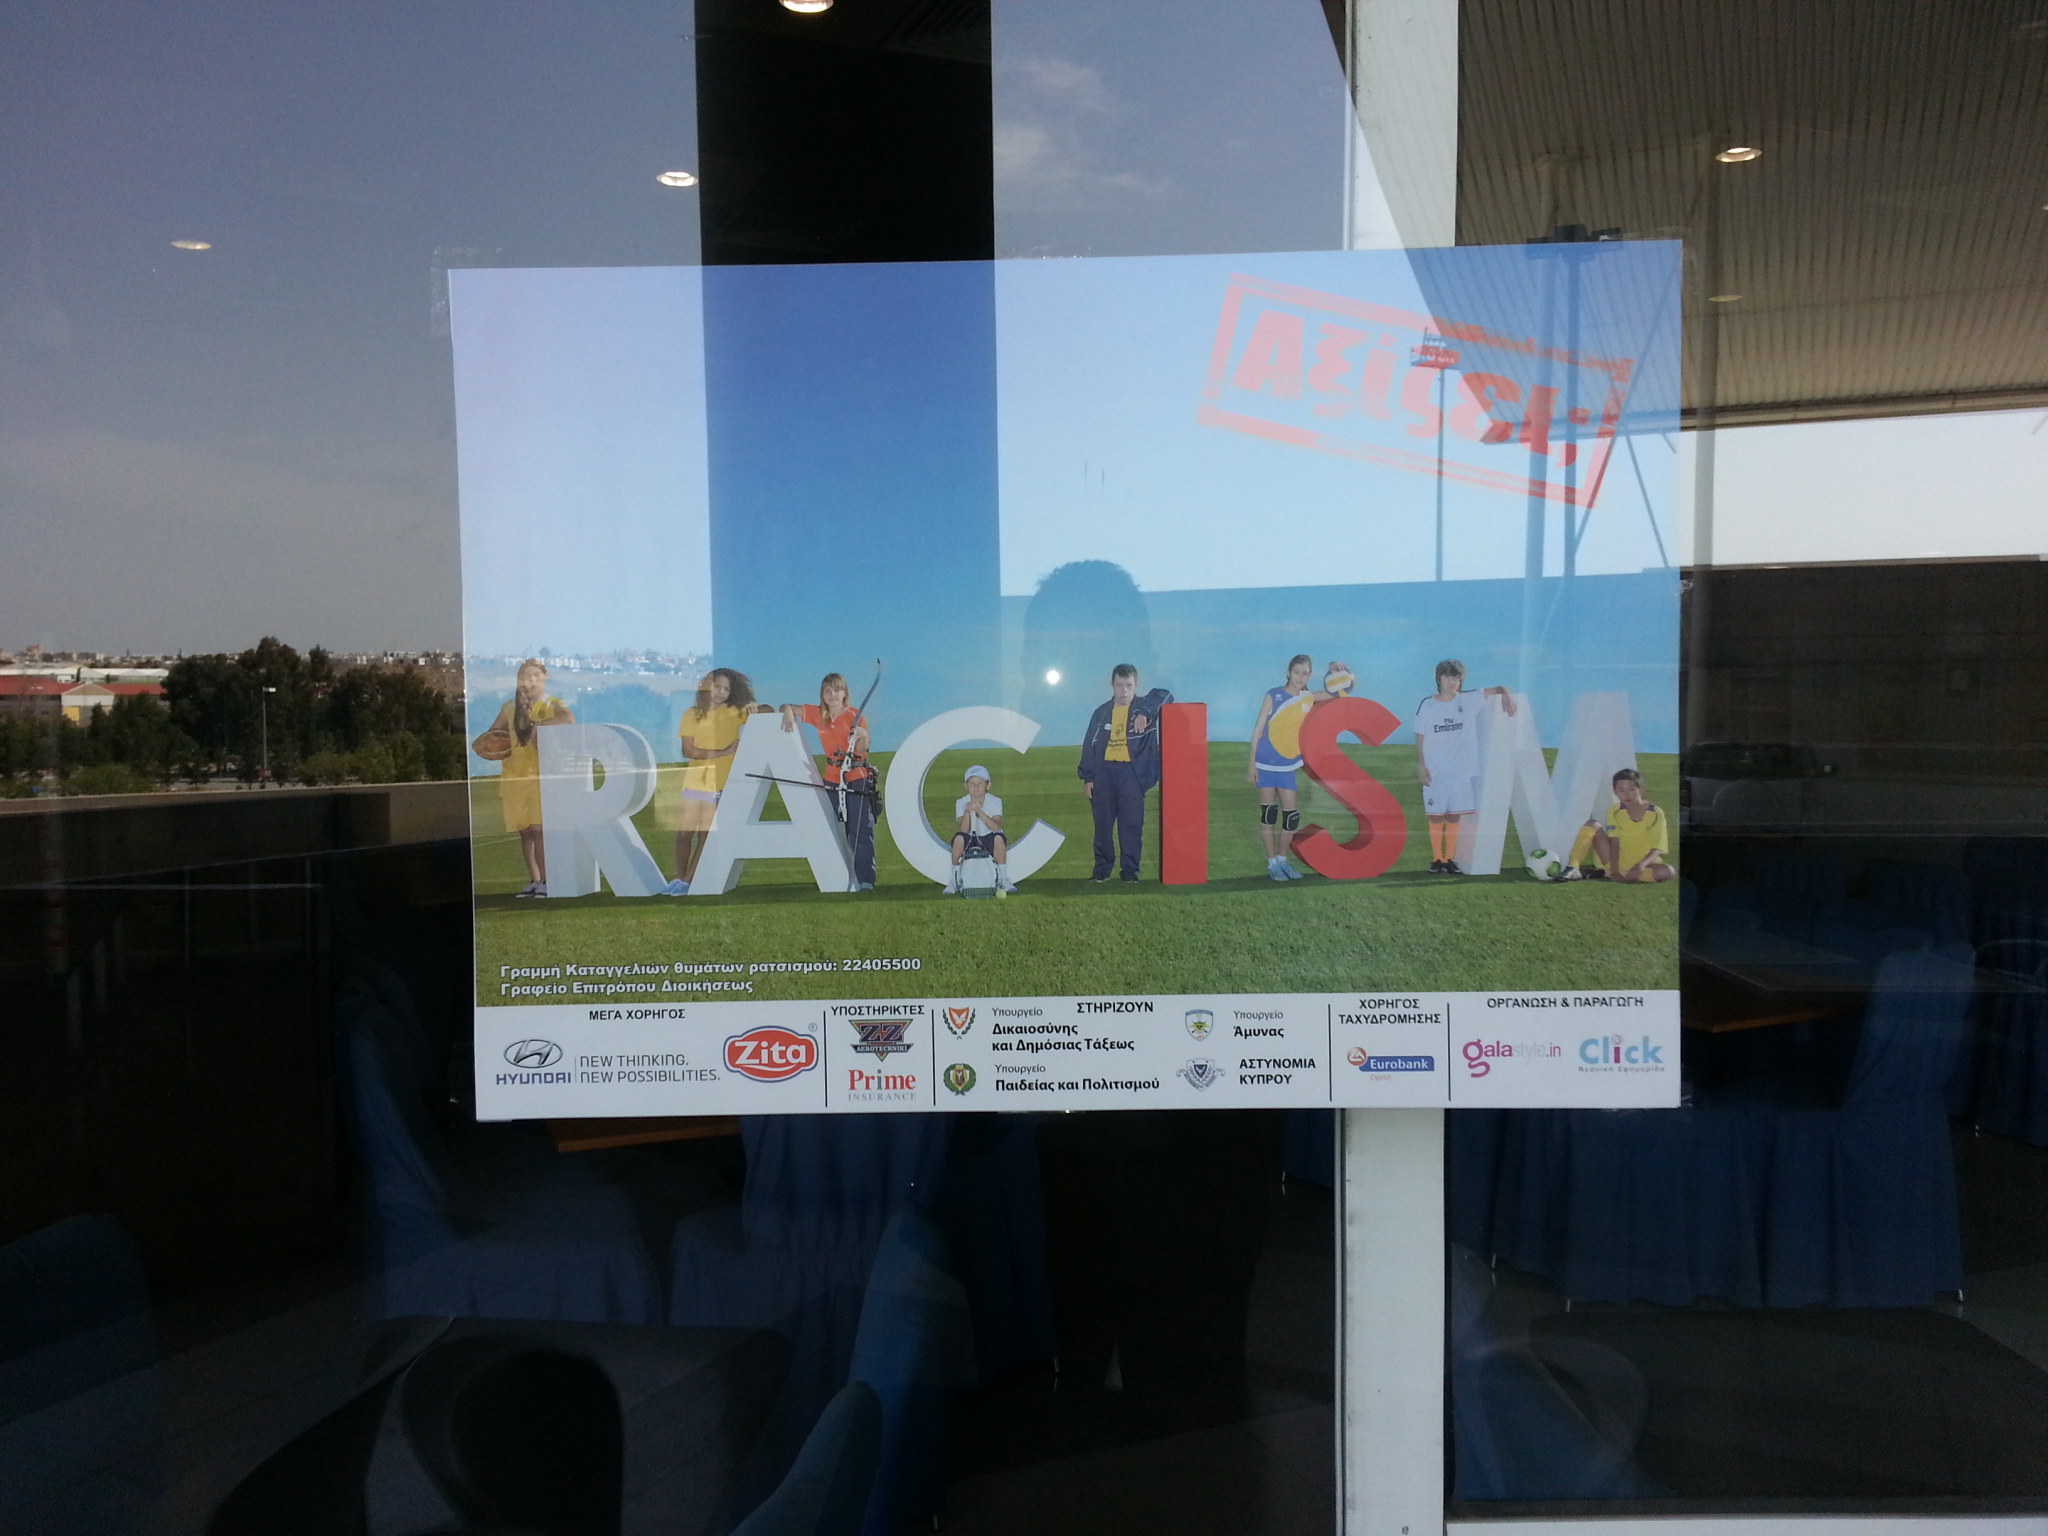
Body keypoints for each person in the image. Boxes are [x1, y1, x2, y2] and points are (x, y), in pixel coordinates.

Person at [473, 658, 574, 897]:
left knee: (539, 830)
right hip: (514, 777)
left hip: (539, 776)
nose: (531, 681)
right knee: (525, 831)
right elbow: (494, 732)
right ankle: (535, 880)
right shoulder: (510, 707)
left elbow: (568, 719)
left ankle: (548, 881)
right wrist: (487, 744)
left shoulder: (552, 704)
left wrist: (541, 726)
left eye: (536, 676)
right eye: (526, 676)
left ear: (544, 678)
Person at [1246, 654, 1347, 881]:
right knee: (1268, 815)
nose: (1300, 677)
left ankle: (1283, 860)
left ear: (1309, 676)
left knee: (1291, 816)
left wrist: (1335, 669)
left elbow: (1338, 693)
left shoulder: (1308, 698)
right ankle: (1272, 864)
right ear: (1288, 672)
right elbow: (1258, 729)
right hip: (1265, 763)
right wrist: (1251, 763)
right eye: (1296, 672)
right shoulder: (1273, 695)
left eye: (1305, 673)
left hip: (1287, 765)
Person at [1410, 658, 1515, 876]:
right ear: (1439, 679)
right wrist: (1421, 765)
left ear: (1461, 681)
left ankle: (1449, 859)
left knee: (1454, 816)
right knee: (1436, 816)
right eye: (1448, 677)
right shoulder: (1428, 705)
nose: (1452, 682)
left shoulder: (1468, 700)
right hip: (1435, 772)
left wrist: (1506, 693)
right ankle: (1437, 859)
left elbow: (1496, 689)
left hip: (1460, 773)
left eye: (1456, 678)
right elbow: (1420, 736)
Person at [671, 668, 772, 893]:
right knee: (684, 834)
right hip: (695, 782)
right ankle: (678, 878)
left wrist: (757, 709)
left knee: (705, 836)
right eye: (718, 687)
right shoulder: (692, 714)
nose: (721, 692)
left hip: (719, 784)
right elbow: (688, 751)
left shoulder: (734, 712)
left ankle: (687, 881)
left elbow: (769, 710)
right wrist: (723, 752)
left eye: (726, 689)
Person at [780, 671, 878, 890]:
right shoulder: (818, 714)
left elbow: (862, 751)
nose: (832, 695)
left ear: (845, 693)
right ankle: (836, 877)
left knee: (859, 829)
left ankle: (865, 880)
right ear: (822, 695)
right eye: (828, 691)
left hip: (856, 778)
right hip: (831, 779)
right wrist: (787, 712)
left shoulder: (855, 715)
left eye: (837, 690)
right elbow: (788, 706)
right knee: (830, 828)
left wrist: (862, 735)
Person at [1078, 663, 1173, 883]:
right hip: (1104, 774)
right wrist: (1088, 778)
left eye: (1129, 685)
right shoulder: (1101, 713)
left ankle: (1130, 871)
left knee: (1131, 825)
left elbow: (1166, 695)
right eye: (1119, 685)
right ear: (1112, 685)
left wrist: (1144, 712)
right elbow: (1089, 746)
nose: (1124, 691)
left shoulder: (1145, 708)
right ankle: (1102, 870)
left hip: (1132, 775)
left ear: (1136, 684)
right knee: (1102, 827)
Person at [1563, 767, 1676, 882]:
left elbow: (1658, 847)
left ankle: (1612, 874)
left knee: (1667, 871)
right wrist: (1615, 870)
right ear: (1615, 792)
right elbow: (1615, 842)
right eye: (1621, 790)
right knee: (1592, 824)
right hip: (1614, 861)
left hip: (1643, 862)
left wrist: (1641, 865)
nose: (1627, 795)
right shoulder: (1614, 811)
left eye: (1631, 789)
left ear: (1641, 789)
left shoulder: (1656, 813)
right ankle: (1573, 867)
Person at [950, 764, 1016, 896]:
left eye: (980, 783)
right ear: (966, 786)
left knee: (998, 838)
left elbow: (996, 827)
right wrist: (968, 811)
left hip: (988, 837)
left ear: (988, 785)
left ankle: (1003, 879)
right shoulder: (961, 802)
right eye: (972, 783)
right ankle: (954, 881)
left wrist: (979, 812)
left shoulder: (995, 801)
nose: (976, 787)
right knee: (958, 839)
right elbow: (963, 830)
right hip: (970, 839)